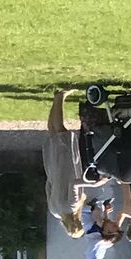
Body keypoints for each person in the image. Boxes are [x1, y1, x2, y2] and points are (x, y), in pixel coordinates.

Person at [45, 88, 89, 236]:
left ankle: (60, 97)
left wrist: (92, 183)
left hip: (67, 167)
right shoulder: (55, 212)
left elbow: (74, 184)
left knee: (61, 131)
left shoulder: (72, 206)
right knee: (52, 132)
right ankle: (56, 99)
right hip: (54, 169)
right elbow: (48, 188)